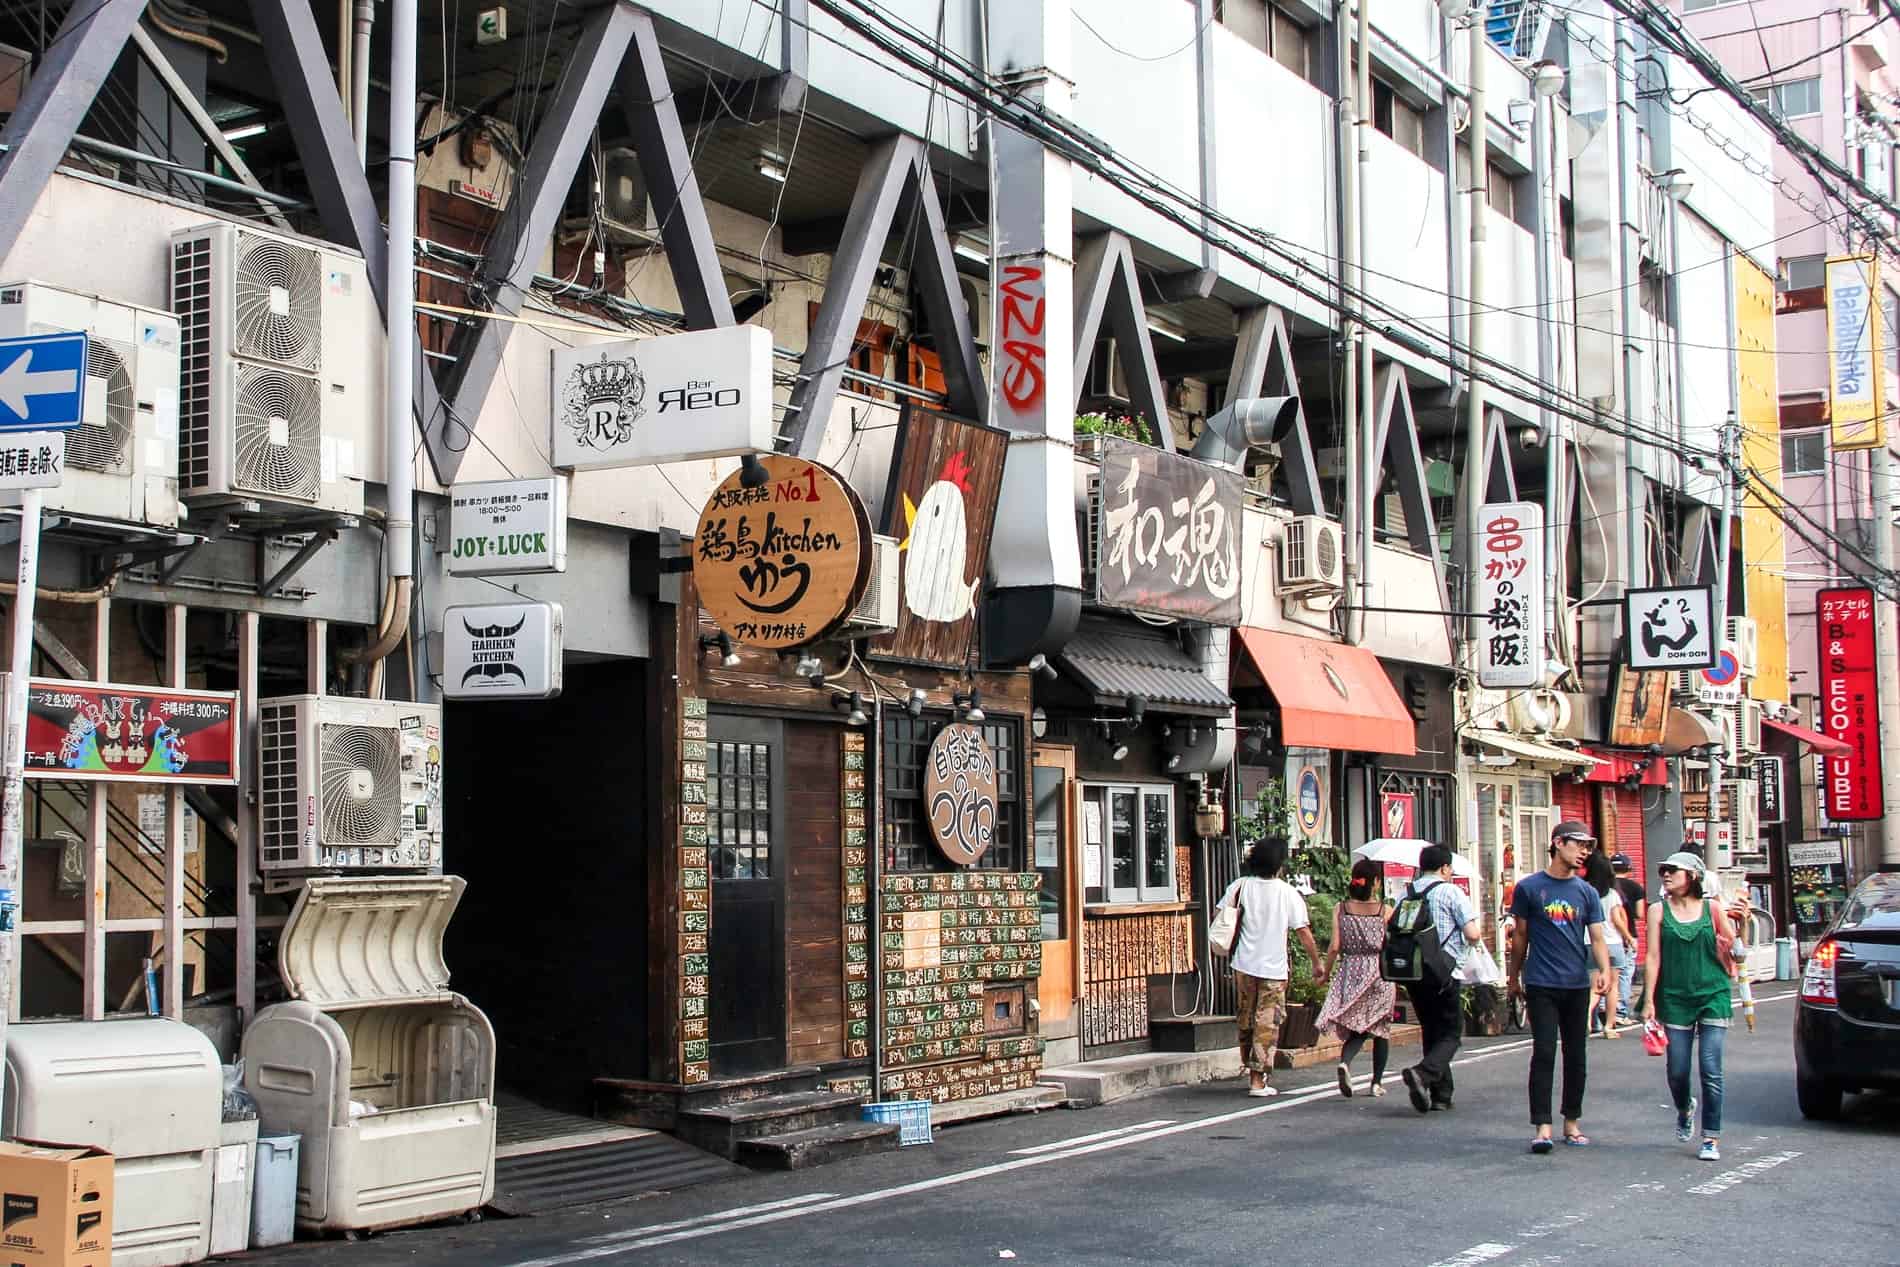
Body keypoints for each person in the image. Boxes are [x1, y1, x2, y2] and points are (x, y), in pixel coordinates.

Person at [1508, 821, 1612, 1154]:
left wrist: (1605, 970)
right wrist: (1513, 976)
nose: (1584, 852)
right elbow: (1520, 936)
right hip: (1541, 982)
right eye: (1579, 845)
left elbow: (1596, 937)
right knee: (1544, 1052)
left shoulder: (1587, 892)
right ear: (1558, 843)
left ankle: (1572, 1122)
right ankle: (1542, 1126)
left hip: (1576, 983)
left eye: (1588, 847)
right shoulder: (1529, 888)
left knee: (1576, 1055)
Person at [1642, 851, 1747, 1162]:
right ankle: (1685, 1107)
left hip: (1713, 993)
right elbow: (1652, 957)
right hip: (1674, 998)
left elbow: (1736, 950)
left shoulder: (1713, 909)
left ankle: (1711, 1137)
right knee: (1677, 1070)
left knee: (1711, 1069)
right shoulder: (1657, 911)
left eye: (1674, 870)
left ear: (1693, 877)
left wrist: (1742, 931)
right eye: (1664, 870)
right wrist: (1648, 998)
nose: (1666, 875)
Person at [1218, 836, 1325, 1097]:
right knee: (1267, 1020)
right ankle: (1258, 1078)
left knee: (1246, 1017)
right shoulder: (1287, 892)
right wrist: (1317, 962)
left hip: (1243, 963)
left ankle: (1251, 1066)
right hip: (1273, 968)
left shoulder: (1240, 886)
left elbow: (1220, 916)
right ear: (1279, 864)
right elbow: (1303, 932)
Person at [1397, 843, 1481, 1115]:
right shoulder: (1451, 892)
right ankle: (1423, 1073)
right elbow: (1472, 933)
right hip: (1443, 972)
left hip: (1413, 972)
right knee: (1451, 1033)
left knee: (1432, 1031)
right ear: (1445, 868)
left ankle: (1441, 1095)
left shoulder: (1407, 893)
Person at [1318, 858, 1398, 1099]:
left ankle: (1345, 1061)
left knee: (1356, 1024)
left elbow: (1334, 947)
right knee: (1380, 1026)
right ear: (1375, 883)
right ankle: (1376, 1083)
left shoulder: (1340, 909)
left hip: (1350, 969)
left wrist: (1326, 973)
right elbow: (1394, 944)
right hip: (1379, 971)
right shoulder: (1385, 911)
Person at [1584, 852, 1633, 1037]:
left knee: (1594, 986)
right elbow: (1617, 919)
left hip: (1590, 942)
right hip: (1613, 943)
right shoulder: (1612, 894)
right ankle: (1609, 1026)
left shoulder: (1584, 890)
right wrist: (1628, 937)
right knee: (1612, 986)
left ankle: (1588, 1017)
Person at [1611, 852, 1647, 1020]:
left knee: (1607, 972)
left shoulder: (1605, 887)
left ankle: (1604, 1009)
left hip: (1607, 934)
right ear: (1629, 868)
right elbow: (1640, 913)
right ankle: (1620, 1010)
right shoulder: (1636, 888)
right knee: (1625, 973)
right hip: (1628, 933)